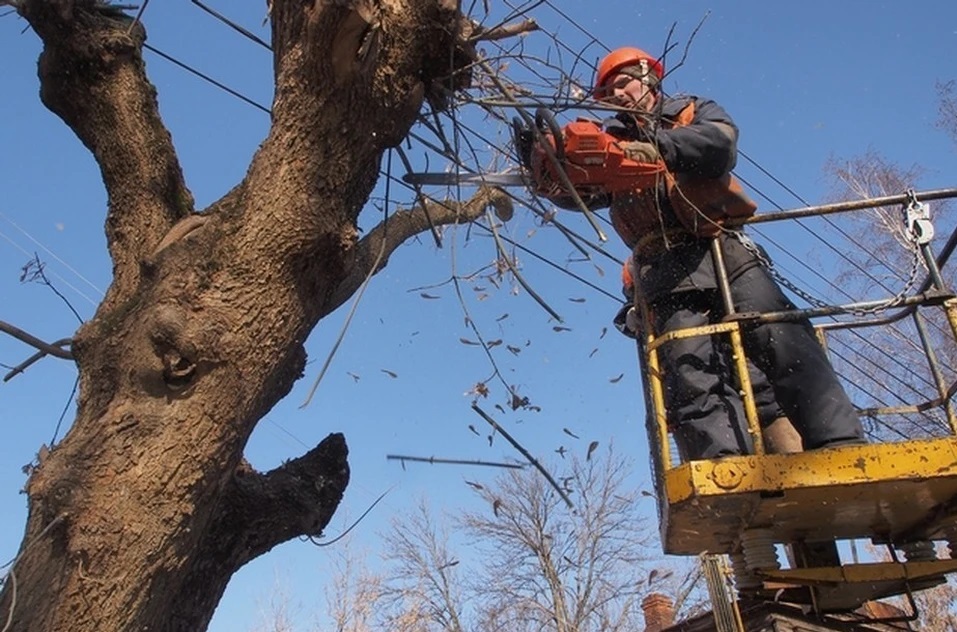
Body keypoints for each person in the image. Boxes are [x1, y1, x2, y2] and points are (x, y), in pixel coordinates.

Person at [567, 47, 865, 459]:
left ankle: (839, 443)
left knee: (779, 333)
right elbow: (579, 191)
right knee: (690, 368)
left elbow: (720, 145)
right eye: (608, 92)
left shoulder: (691, 111)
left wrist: (657, 146)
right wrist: (558, 164)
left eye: (622, 83)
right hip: (662, 263)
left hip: (720, 245)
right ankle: (723, 467)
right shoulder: (610, 142)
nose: (617, 95)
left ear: (647, 76)